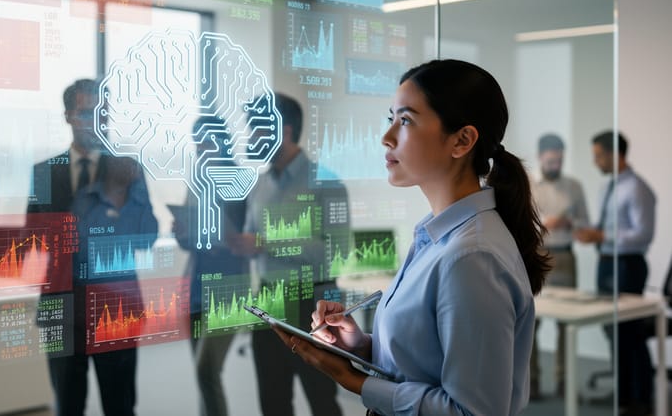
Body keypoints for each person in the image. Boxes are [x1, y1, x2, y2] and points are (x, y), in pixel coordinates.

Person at [279, 59, 550, 415]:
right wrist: (358, 344)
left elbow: (472, 411)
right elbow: (426, 360)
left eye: (405, 121)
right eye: (391, 118)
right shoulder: (436, 235)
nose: (387, 137)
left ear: (462, 140)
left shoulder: (471, 256)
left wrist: (353, 380)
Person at [27, 79, 155, 416]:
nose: (96, 122)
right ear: (68, 115)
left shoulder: (128, 170)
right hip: (62, 309)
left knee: (120, 405)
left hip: (116, 308)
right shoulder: (42, 173)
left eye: (103, 114)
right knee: (67, 405)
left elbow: (149, 236)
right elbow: (33, 242)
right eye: (86, 113)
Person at [232, 93, 348, 416]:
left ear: (283, 129)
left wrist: (266, 242)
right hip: (268, 300)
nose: (251, 136)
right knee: (272, 401)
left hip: (313, 302)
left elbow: (334, 253)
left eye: (256, 127)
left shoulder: (326, 183)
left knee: (322, 399)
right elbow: (253, 242)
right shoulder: (258, 185)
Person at [172, 116, 249, 416]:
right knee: (201, 373)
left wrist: (224, 238)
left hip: (228, 287)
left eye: (206, 141)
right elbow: (191, 241)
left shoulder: (239, 180)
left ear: (222, 142)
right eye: (197, 143)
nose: (201, 149)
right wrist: (181, 233)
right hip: (197, 286)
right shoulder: (197, 181)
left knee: (207, 370)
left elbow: (245, 237)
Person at [575, 130, 656, 416]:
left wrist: (602, 235)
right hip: (606, 263)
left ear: (615, 154)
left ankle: (643, 400)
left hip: (627, 265)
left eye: (598, 156)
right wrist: (591, 233)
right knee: (614, 331)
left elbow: (643, 234)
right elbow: (604, 227)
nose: (596, 162)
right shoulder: (607, 187)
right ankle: (621, 397)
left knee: (630, 331)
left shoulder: (637, 189)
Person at [530, 133, 589, 398]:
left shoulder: (574, 187)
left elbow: (585, 223)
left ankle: (564, 381)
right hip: (536, 255)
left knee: (567, 323)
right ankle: (530, 382)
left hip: (565, 256)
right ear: (541, 157)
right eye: (552, 159)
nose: (556, 163)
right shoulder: (529, 185)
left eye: (560, 159)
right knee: (531, 320)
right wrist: (544, 223)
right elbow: (520, 223)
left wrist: (570, 224)